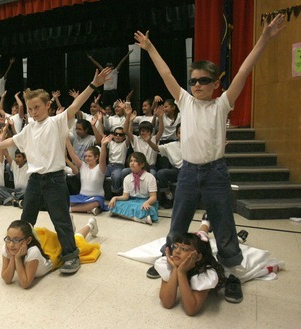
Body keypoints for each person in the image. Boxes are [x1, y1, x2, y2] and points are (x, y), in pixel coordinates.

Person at [135, 13, 286, 303]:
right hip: (189, 172)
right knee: (178, 221)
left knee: (224, 224)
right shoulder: (184, 101)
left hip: (216, 173)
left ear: (216, 83)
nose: (197, 85)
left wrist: (264, 39)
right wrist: (151, 49)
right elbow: (167, 75)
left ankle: (231, 275)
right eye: (193, 81)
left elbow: (244, 69)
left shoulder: (222, 104)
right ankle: (168, 260)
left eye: (204, 80)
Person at [0, 67, 112, 274]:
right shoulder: (28, 129)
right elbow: (11, 140)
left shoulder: (56, 122)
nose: (33, 112)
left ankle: (71, 256)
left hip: (54, 180)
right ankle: (22, 249)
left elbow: (75, 105)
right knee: (26, 219)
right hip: (34, 180)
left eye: (37, 107)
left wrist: (93, 85)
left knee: (60, 219)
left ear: (47, 105)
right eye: (30, 109)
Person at [1, 218, 100, 288]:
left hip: (52, 256)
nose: (10, 245)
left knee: (75, 240)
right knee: (63, 237)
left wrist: (17, 259)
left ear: (28, 241)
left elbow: (25, 283)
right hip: (42, 247)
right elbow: (7, 279)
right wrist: (13, 257)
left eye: (16, 240)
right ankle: (69, 228)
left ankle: (90, 225)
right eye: (8, 239)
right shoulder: (8, 247)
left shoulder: (33, 252)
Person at [155, 230, 226, 316]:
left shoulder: (205, 273)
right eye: (175, 246)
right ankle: (205, 225)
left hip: (208, 264)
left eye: (184, 249)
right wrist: (174, 269)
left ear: (197, 257)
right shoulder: (169, 264)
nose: (177, 251)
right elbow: (167, 303)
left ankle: (205, 226)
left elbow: (191, 310)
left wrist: (181, 273)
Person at [108, 152, 158, 225]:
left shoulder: (150, 177)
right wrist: (115, 198)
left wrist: (146, 203)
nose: (132, 163)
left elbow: (153, 197)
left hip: (146, 201)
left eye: (135, 161)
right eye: (131, 161)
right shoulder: (127, 178)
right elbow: (125, 196)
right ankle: (140, 219)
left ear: (142, 164)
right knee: (115, 205)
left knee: (147, 209)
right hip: (132, 200)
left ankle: (124, 215)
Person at [66, 136, 107, 216]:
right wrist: (67, 140)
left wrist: (103, 145)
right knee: (65, 200)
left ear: (96, 157)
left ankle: (72, 209)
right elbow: (73, 155)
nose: (87, 158)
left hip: (96, 197)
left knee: (95, 203)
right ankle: (88, 209)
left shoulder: (100, 168)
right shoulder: (82, 166)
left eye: (90, 156)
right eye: (86, 156)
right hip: (81, 197)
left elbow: (102, 159)